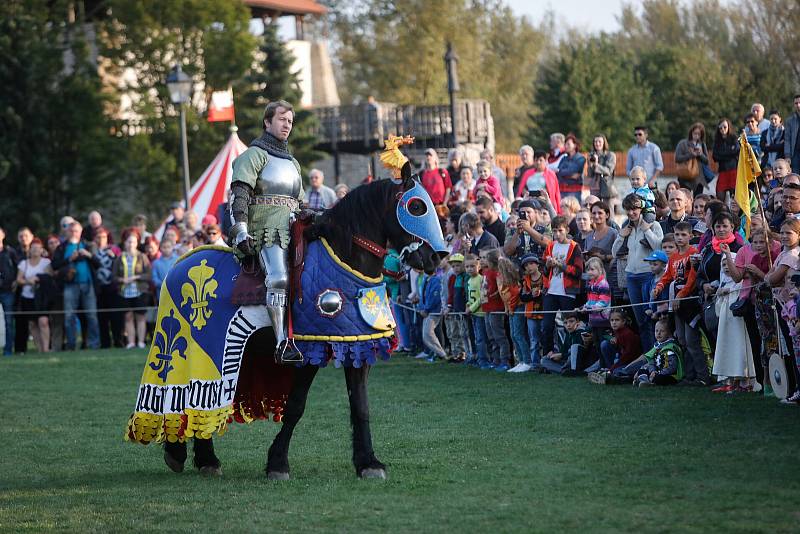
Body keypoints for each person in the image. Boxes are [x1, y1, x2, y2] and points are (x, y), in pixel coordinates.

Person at [228, 100, 305, 363]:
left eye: (290, 121)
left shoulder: (293, 163)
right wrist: (240, 230)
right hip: (265, 229)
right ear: (267, 122)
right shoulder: (254, 155)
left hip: (293, 228)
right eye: (282, 119)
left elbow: (301, 203)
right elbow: (239, 195)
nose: (287, 125)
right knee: (279, 278)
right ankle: (283, 343)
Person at [612, 193, 664, 351]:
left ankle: (657, 355)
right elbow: (614, 252)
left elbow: (659, 248)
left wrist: (646, 230)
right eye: (628, 209)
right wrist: (621, 237)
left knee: (652, 318)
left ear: (641, 209)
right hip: (631, 277)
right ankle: (646, 357)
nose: (631, 213)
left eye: (634, 209)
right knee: (640, 321)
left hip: (648, 276)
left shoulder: (654, 225)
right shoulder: (626, 227)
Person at [51, 222, 100, 351]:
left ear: (81, 232)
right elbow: (54, 265)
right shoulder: (61, 248)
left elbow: (98, 263)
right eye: (71, 231)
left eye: (76, 231)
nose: (74, 233)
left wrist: (88, 255)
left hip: (88, 284)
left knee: (91, 315)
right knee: (69, 316)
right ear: (67, 232)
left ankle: (94, 344)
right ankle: (71, 345)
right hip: (69, 286)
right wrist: (69, 259)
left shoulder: (89, 245)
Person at [541, 216, 584, 358]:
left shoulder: (574, 247)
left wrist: (561, 265)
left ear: (567, 230)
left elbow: (578, 271)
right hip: (551, 290)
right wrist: (547, 266)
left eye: (560, 230)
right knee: (547, 326)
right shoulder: (550, 246)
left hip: (568, 292)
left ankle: (568, 355)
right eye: (554, 231)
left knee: (569, 326)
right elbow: (544, 271)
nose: (557, 234)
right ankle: (547, 355)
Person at [114, 233, 151, 349]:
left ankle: (141, 341)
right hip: (124, 292)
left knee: (140, 317)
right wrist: (122, 280)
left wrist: (136, 277)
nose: (130, 244)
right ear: (125, 243)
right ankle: (131, 342)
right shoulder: (120, 258)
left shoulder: (142, 257)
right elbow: (114, 276)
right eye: (128, 242)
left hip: (139, 291)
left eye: (133, 242)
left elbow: (148, 275)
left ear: (137, 244)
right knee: (128, 317)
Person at [15, 238, 52, 353]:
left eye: (38, 248)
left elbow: (50, 277)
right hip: (27, 297)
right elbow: (19, 280)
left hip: (41, 298)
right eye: (33, 248)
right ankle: (40, 349)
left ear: (42, 250)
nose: (35, 250)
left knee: (43, 321)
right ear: (29, 250)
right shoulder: (23, 264)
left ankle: (46, 349)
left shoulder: (46, 262)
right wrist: (28, 281)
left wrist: (38, 279)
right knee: (32, 324)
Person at [480, 249, 511, 371]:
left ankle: (505, 360)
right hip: (487, 308)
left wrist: (495, 294)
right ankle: (496, 359)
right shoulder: (486, 272)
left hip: (495, 309)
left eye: (485, 258)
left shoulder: (497, 273)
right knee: (491, 335)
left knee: (499, 335)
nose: (482, 261)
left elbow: (500, 289)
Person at [92, 227, 123, 349]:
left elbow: (122, 263)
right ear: (95, 238)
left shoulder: (114, 249)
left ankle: (118, 340)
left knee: (115, 316)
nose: (101, 239)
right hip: (99, 288)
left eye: (103, 237)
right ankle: (105, 343)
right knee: (101, 317)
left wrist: (114, 256)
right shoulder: (92, 250)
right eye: (98, 237)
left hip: (112, 287)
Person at [498, 256, 530, 373]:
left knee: (518, 334)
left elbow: (515, 297)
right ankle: (521, 361)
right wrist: (508, 308)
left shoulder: (511, 282)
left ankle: (527, 361)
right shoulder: (504, 282)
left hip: (518, 308)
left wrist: (510, 308)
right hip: (512, 309)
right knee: (513, 334)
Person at [633, 318, 683, 387]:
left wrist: (658, 373)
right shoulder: (657, 346)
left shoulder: (670, 348)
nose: (658, 333)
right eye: (656, 331)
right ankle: (645, 381)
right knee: (642, 370)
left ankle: (647, 381)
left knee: (659, 378)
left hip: (669, 375)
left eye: (662, 331)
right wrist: (653, 371)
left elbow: (672, 367)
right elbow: (652, 362)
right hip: (657, 372)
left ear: (669, 333)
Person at [579, 257, 611, 365]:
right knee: (597, 344)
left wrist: (588, 309)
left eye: (592, 269)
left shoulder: (603, 285)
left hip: (603, 320)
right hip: (594, 320)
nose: (589, 272)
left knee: (602, 344)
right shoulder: (590, 284)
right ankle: (601, 367)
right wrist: (584, 307)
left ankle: (606, 367)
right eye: (588, 269)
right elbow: (590, 302)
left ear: (600, 270)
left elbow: (603, 303)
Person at [417, 262, 447, 363]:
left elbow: (434, 297)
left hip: (434, 311)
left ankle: (441, 353)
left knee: (428, 333)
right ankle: (437, 352)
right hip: (426, 311)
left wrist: (426, 309)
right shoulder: (426, 279)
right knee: (426, 335)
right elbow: (422, 296)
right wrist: (421, 308)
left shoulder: (436, 280)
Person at [519, 254, 544, 369]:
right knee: (534, 341)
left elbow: (549, 293)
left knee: (546, 338)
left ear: (537, 264)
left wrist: (541, 293)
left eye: (531, 263)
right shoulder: (525, 281)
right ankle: (535, 364)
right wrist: (531, 295)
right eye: (526, 265)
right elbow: (522, 297)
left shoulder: (545, 277)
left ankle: (546, 362)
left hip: (544, 313)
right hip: (531, 314)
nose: (529, 267)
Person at [444, 253, 469, 363]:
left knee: (463, 332)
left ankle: (464, 353)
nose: (455, 268)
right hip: (454, 309)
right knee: (453, 332)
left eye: (458, 265)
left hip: (464, 310)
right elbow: (451, 294)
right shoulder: (452, 278)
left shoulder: (466, 277)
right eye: (453, 266)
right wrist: (449, 306)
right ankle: (456, 353)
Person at [674, 123, 713, 194]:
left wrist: (700, 154)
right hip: (685, 175)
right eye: (695, 133)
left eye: (699, 134)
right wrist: (691, 155)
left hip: (699, 177)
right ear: (691, 132)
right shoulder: (683, 143)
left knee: (698, 198)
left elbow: (706, 161)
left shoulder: (702, 144)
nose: (696, 136)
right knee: (685, 197)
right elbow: (677, 158)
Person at [465, 254, 488, 368]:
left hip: (481, 313)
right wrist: (467, 305)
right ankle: (479, 357)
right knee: (476, 337)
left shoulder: (481, 279)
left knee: (481, 338)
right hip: (473, 313)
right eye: (467, 266)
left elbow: (482, 297)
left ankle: (483, 360)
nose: (469, 269)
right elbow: (470, 296)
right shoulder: (469, 280)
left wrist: (472, 307)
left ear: (479, 267)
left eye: (472, 266)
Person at [0, 226, 19, 355]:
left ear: (3, 235)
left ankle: (8, 350)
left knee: (8, 321)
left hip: (7, 291)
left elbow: (19, 268)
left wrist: (16, 281)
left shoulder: (10, 251)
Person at [712, 118, 740, 202]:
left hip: (733, 170)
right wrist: (729, 152)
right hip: (723, 171)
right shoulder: (717, 141)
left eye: (725, 127)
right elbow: (715, 157)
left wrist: (722, 154)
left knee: (734, 197)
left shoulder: (734, 138)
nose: (723, 129)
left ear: (728, 127)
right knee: (720, 195)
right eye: (720, 128)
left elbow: (736, 151)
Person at [587, 134, 616, 206]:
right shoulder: (591, 155)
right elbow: (590, 174)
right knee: (595, 210)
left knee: (608, 211)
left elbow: (609, 171)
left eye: (599, 141)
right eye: (595, 141)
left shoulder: (610, 155)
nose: (597, 144)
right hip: (595, 188)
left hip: (606, 187)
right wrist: (590, 165)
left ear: (604, 143)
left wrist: (596, 165)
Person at [556, 134, 586, 201]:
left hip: (574, 191)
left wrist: (562, 172)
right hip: (562, 191)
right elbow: (558, 172)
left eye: (568, 144)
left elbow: (571, 170)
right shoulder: (564, 158)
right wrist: (570, 175)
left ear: (575, 145)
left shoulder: (581, 158)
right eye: (565, 144)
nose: (566, 146)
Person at [784, 94, 800, 173]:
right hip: (795, 155)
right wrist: (787, 156)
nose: (798, 105)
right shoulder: (789, 121)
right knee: (795, 178)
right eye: (796, 103)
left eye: (799, 102)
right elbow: (787, 139)